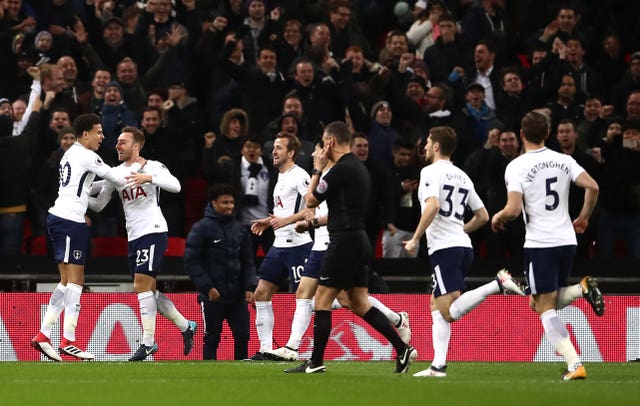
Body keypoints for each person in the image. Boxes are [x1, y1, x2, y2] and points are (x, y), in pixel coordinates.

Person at [285, 121, 416, 374]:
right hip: (359, 240)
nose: (322, 148)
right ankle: (402, 349)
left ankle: (315, 362)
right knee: (358, 302)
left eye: (324, 142)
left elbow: (311, 199)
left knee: (322, 299)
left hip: (343, 242)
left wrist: (317, 169)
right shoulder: (358, 168)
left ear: (331, 142)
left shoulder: (341, 169)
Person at [403, 126, 526, 378]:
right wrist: (460, 230)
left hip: (444, 248)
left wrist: (415, 238)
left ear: (436, 146)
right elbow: (482, 216)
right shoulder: (462, 176)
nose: (425, 146)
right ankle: (438, 366)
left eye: (427, 141)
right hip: (461, 246)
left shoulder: (430, 171)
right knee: (436, 305)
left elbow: (433, 205)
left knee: (447, 311)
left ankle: (497, 284)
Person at [491, 111, 603, 381]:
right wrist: (584, 217)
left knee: (544, 308)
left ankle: (575, 364)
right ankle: (581, 288)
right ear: (548, 134)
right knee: (537, 302)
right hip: (566, 241)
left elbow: (514, 209)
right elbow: (594, 187)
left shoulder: (516, 166)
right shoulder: (564, 159)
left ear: (521, 134)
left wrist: (498, 217)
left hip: (541, 243)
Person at [88, 126, 197, 361]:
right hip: (134, 236)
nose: (117, 145)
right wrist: (76, 196)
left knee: (140, 286)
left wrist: (148, 177)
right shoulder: (115, 173)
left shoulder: (153, 166)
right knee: (149, 290)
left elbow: (176, 186)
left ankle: (148, 343)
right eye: (117, 142)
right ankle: (185, 325)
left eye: (123, 142)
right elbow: (99, 205)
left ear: (136, 146)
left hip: (153, 231)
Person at [31, 113, 126, 361]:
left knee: (65, 281)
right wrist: (141, 170)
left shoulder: (70, 153)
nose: (102, 137)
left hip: (57, 217)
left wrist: (102, 188)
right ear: (86, 133)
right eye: (99, 132)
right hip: (70, 221)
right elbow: (117, 178)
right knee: (76, 281)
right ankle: (68, 340)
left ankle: (43, 334)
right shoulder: (87, 156)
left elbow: (84, 190)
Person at [247, 132, 313, 360]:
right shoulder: (280, 178)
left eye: (279, 148)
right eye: (273, 147)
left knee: (313, 300)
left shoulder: (300, 176)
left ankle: (390, 317)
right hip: (279, 245)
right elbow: (285, 210)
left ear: (291, 153)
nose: (273, 152)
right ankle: (266, 349)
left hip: (299, 247)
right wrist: (270, 221)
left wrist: (286, 221)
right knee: (261, 293)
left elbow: (312, 209)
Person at [184, 183, 257, 360]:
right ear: (214, 203)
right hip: (212, 297)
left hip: (237, 296)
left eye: (232, 202)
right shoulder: (200, 229)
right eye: (225, 202)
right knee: (212, 338)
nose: (229, 206)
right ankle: (209, 377)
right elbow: (191, 262)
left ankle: (242, 373)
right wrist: (207, 288)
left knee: (243, 336)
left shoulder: (240, 229)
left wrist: (249, 287)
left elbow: (248, 261)